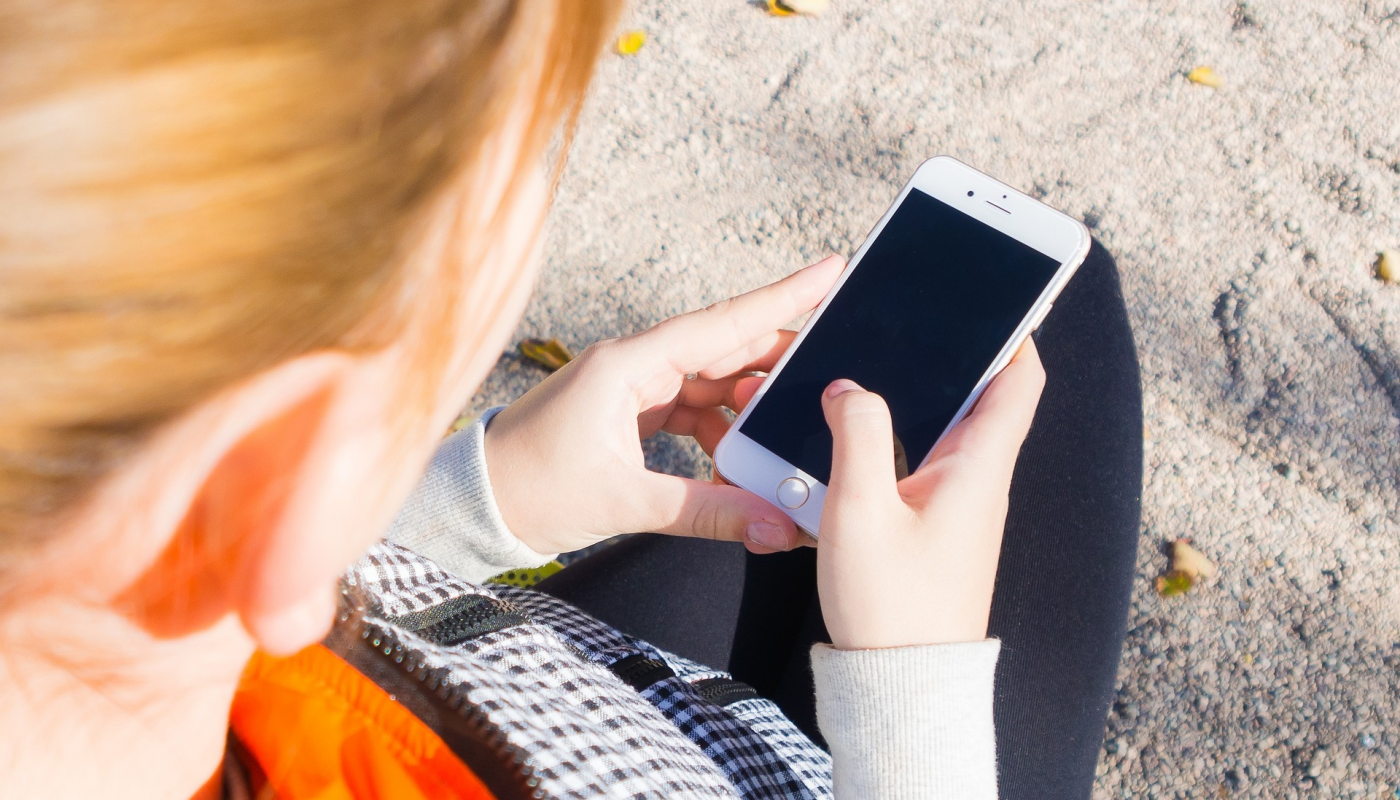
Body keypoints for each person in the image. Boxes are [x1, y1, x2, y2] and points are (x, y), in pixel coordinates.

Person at [0, 0, 1142, 798]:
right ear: (288, 473)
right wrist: (914, 700)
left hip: (544, 688)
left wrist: (478, 501)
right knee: (1061, 309)